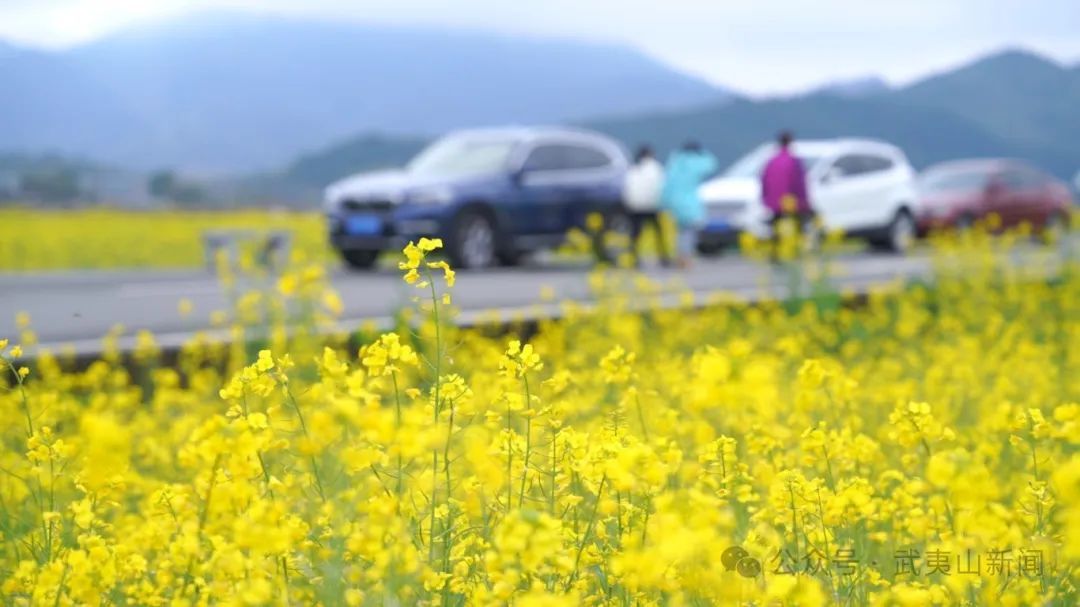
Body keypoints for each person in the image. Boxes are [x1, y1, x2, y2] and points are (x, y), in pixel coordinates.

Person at [661, 140, 719, 268]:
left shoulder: (675, 162)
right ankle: (685, 258)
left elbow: (666, 185)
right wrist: (702, 153)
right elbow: (711, 164)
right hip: (689, 202)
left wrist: (664, 203)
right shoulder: (694, 163)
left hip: (675, 203)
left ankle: (680, 256)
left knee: (681, 231)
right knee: (689, 231)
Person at [761, 131, 813, 256]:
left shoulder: (771, 161)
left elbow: (764, 181)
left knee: (775, 226)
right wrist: (804, 201)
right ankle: (798, 250)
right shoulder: (794, 161)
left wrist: (766, 199)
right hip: (791, 201)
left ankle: (774, 253)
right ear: (790, 143)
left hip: (774, 202)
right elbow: (799, 183)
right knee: (801, 224)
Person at [623, 145, 670, 266]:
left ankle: (634, 258)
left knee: (635, 233)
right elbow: (662, 187)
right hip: (651, 206)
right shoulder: (656, 168)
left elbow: (627, 187)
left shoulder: (633, 168)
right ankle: (663, 257)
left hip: (635, 205)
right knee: (658, 233)